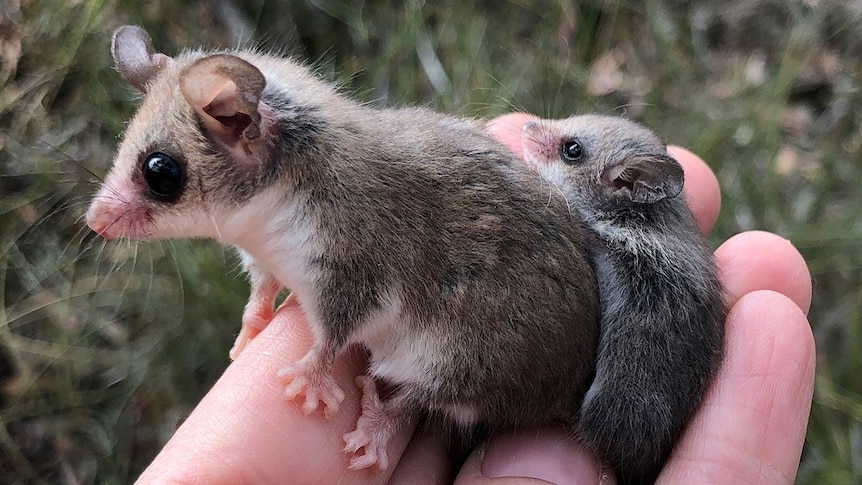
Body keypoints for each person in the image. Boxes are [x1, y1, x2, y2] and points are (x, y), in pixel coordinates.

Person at [135, 113, 814, 485]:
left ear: (625, 187)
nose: (539, 141)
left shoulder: (634, 243)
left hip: (611, 400)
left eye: (568, 150)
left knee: (609, 412)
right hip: (519, 357)